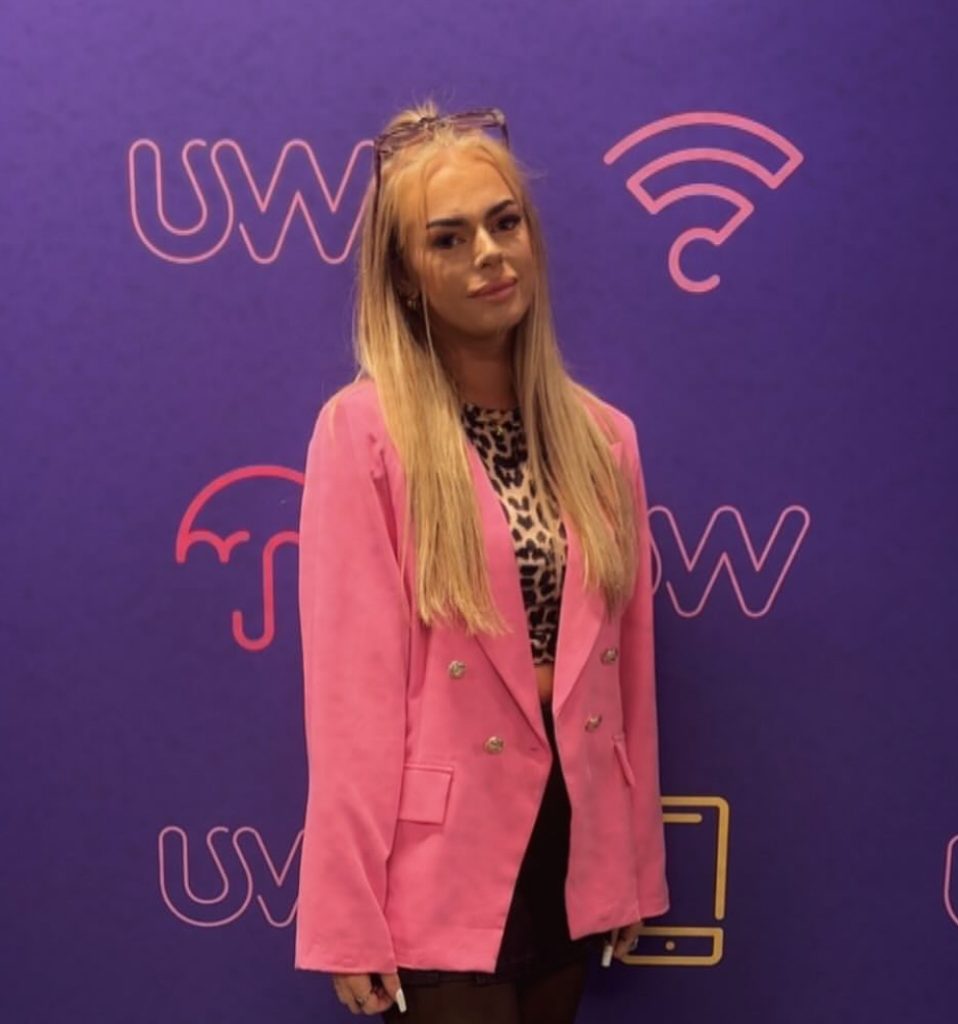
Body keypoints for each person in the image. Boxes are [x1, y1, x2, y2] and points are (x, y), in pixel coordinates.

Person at [293, 100, 670, 1022]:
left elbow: (629, 678)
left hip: (571, 839)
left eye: (505, 224)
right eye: (449, 239)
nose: (490, 255)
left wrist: (628, 864)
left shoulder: (602, 439)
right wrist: (347, 916)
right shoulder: (365, 435)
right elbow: (350, 701)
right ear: (406, 277)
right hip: (442, 856)